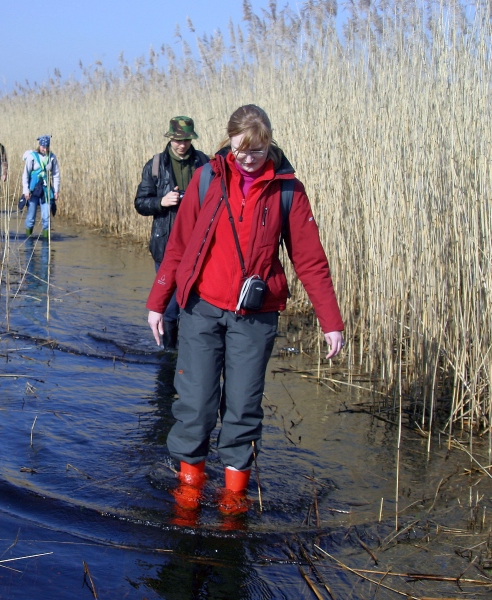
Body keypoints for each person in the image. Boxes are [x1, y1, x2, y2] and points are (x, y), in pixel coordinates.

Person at [145, 105, 345, 519]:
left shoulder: (288, 190)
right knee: (195, 402)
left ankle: (233, 496)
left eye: (256, 150)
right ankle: (189, 488)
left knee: (243, 405)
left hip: (255, 317)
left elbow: (310, 260)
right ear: (229, 142)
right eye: (240, 150)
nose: (248, 158)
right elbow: (178, 247)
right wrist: (157, 303)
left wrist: (331, 322)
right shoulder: (207, 180)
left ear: (269, 143)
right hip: (200, 309)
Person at [135, 116, 210, 350]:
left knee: (193, 301)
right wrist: (161, 201)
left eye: (186, 139)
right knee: (169, 304)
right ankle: (168, 352)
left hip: (198, 245)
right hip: (165, 245)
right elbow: (140, 203)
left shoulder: (204, 163)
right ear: (170, 138)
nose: (182, 144)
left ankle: (189, 349)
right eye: (178, 140)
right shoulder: (155, 165)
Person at [21, 135, 60, 239]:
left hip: (46, 190)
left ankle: (46, 242)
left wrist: (56, 191)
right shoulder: (31, 157)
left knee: (46, 218)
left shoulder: (52, 157)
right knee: (31, 218)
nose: (45, 149)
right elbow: (25, 174)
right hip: (33, 190)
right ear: (39, 145)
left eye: (47, 146)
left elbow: (55, 175)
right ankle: (28, 241)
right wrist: (26, 190)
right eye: (43, 146)